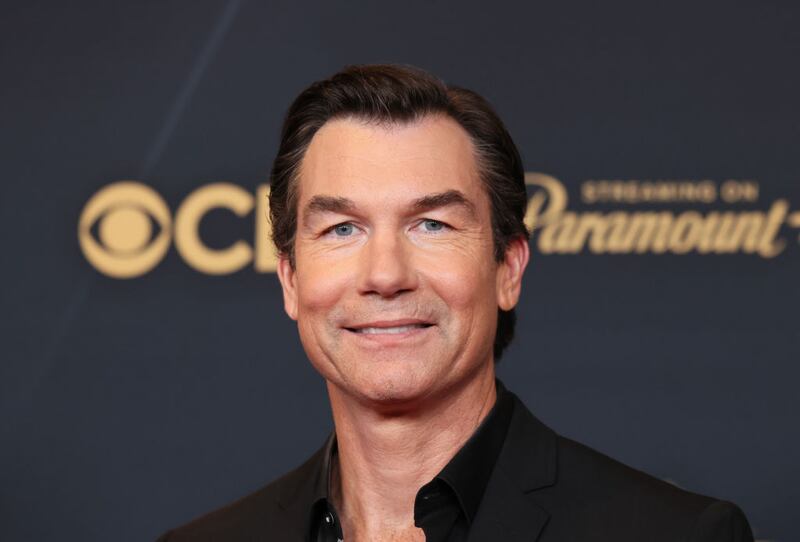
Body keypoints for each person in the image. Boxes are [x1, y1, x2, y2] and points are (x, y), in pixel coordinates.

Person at [157, 64, 753, 541]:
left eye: (432, 225)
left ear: (507, 268)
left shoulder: (675, 534)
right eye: (342, 229)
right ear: (290, 279)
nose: (385, 275)